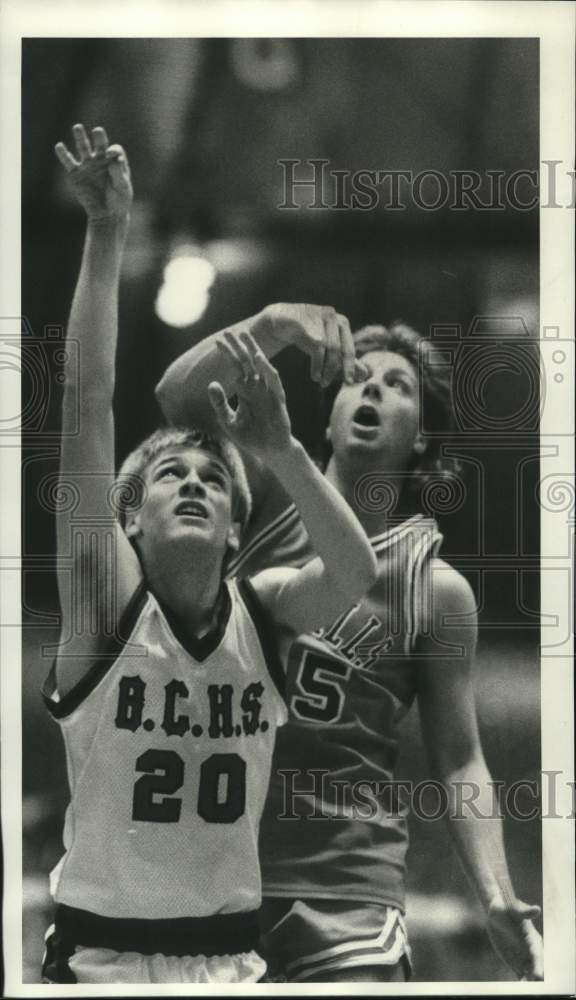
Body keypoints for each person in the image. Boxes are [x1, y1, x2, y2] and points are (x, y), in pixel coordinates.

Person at [43, 126, 377, 985]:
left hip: (230, 960)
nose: (192, 484)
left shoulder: (259, 613)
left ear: (236, 528)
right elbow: (87, 398)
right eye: (168, 475)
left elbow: (354, 576)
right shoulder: (104, 603)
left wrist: (286, 454)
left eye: (213, 480)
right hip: (100, 959)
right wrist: (108, 231)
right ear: (130, 519)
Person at [157, 304, 545, 982]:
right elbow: (180, 394)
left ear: (423, 437)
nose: (371, 389)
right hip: (212, 865)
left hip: (346, 890)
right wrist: (275, 324)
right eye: (356, 378)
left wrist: (495, 894)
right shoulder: (259, 495)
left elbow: (459, 758)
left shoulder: (437, 589)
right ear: (329, 415)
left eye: (397, 385)